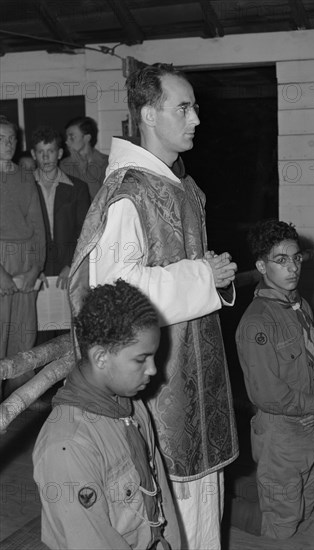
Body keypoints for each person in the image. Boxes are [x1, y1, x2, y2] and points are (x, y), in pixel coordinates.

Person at [68, 63, 239, 549]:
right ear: (147, 113)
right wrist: (204, 276)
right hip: (162, 383)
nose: (196, 119)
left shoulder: (175, 184)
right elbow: (118, 294)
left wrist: (209, 271)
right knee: (173, 507)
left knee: (205, 506)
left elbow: (170, 264)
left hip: (192, 370)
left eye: (195, 107)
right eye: (183, 108)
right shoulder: (129, 194)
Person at [33, 279, 180, 549]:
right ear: (101, 358)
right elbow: (91, 541)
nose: (153, 370)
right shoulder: (67, 447)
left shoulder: (132, 406)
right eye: (141, 359)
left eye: (154, 357)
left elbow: (162, 500)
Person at [235, 219, 314, 540]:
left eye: (296, 258)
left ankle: (264, 496)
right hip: (281, 430)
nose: (292, 267)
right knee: (280, 527)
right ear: (261, 266)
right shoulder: (257, 323)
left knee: (307, 497)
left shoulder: (299, 305)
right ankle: (224, 508)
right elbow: (267, 393)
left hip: (311, 424)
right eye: (281, 260)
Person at [0, 116, 45, 398]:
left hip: (25, 258)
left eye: (12, 139)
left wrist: (34, 268)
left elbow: (39, 227)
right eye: (1, 138)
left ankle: (18, 406)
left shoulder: (25, 177)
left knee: (23, 337)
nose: (7, 144)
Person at [31, 126, 90, 292]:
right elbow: (22, 231)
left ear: (60, 153)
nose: (45, 157)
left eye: (50, 151)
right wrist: (32, 268)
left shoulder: (78, 188)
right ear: (33, 154)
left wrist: (72, 264)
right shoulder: (25, 187)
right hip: (35, 271)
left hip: (69, 268)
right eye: (40, 151)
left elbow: (85, 231)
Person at [60, 116, 108, 200]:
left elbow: (100, 200)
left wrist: (84, 172)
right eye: (67, 137)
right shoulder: (65, 165)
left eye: (71, 137)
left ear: (87, 138)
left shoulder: (105, 163)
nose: (67, 142)